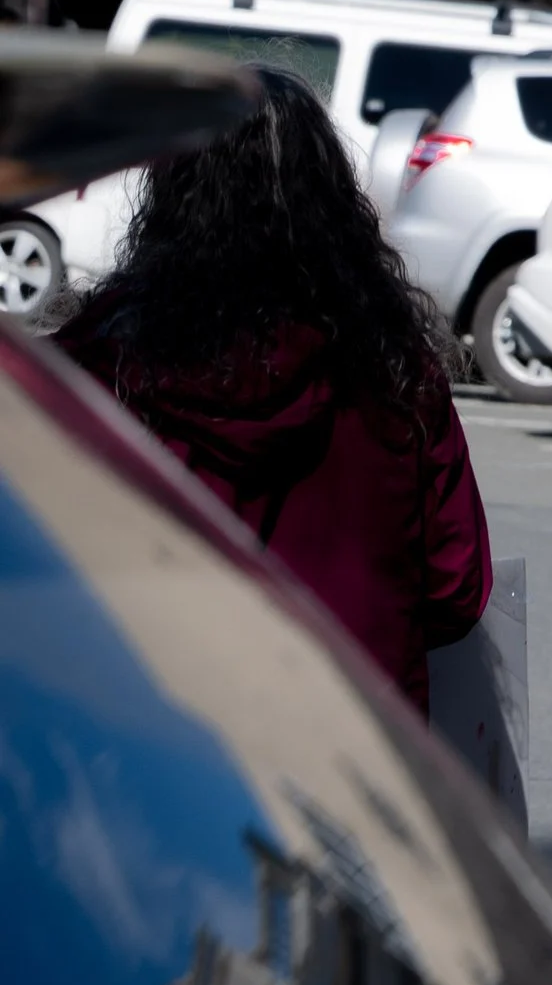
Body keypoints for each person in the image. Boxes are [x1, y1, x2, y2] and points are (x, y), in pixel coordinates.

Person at [61, 67, 490, 712]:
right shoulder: (394, 370)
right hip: (362, 750)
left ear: (172, 194)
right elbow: (456, 588)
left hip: (161, 746)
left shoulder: (105, 358)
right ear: (329, 195)